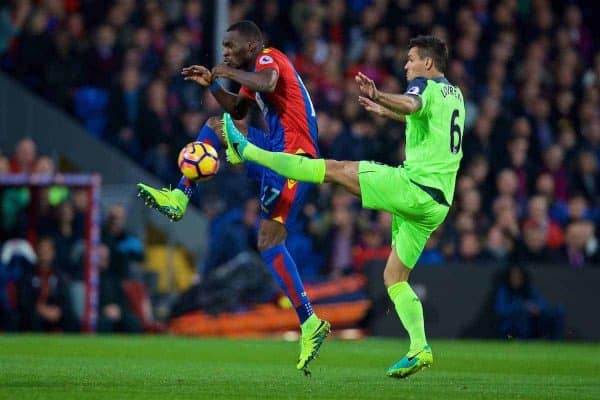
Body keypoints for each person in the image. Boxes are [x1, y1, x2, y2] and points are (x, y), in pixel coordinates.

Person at [222, 35, 464, 378]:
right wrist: (387, 111)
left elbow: (413, 105)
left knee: (333, 170)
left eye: (411, 59)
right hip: (437, 204)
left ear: (427, 63)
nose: (406, 65)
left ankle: (246, 151)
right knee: (394, 277)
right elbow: (429, 122)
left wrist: (380, 95)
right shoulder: (455, 95)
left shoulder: (423, 87)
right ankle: (419, 347)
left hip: (414, 187)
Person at [136, 21, 329, 374]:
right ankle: (180, 197)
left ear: (252, 45)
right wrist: (214, 85)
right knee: (268, 239)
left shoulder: (270, 59)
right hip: (276, 150)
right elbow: (237, 111)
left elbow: (268, 83)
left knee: (270, 238)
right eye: (223, 48)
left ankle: (309, 321)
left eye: (230, 46)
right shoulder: (252, 75)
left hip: (295, 158)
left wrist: (224, 71)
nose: (224, 52)